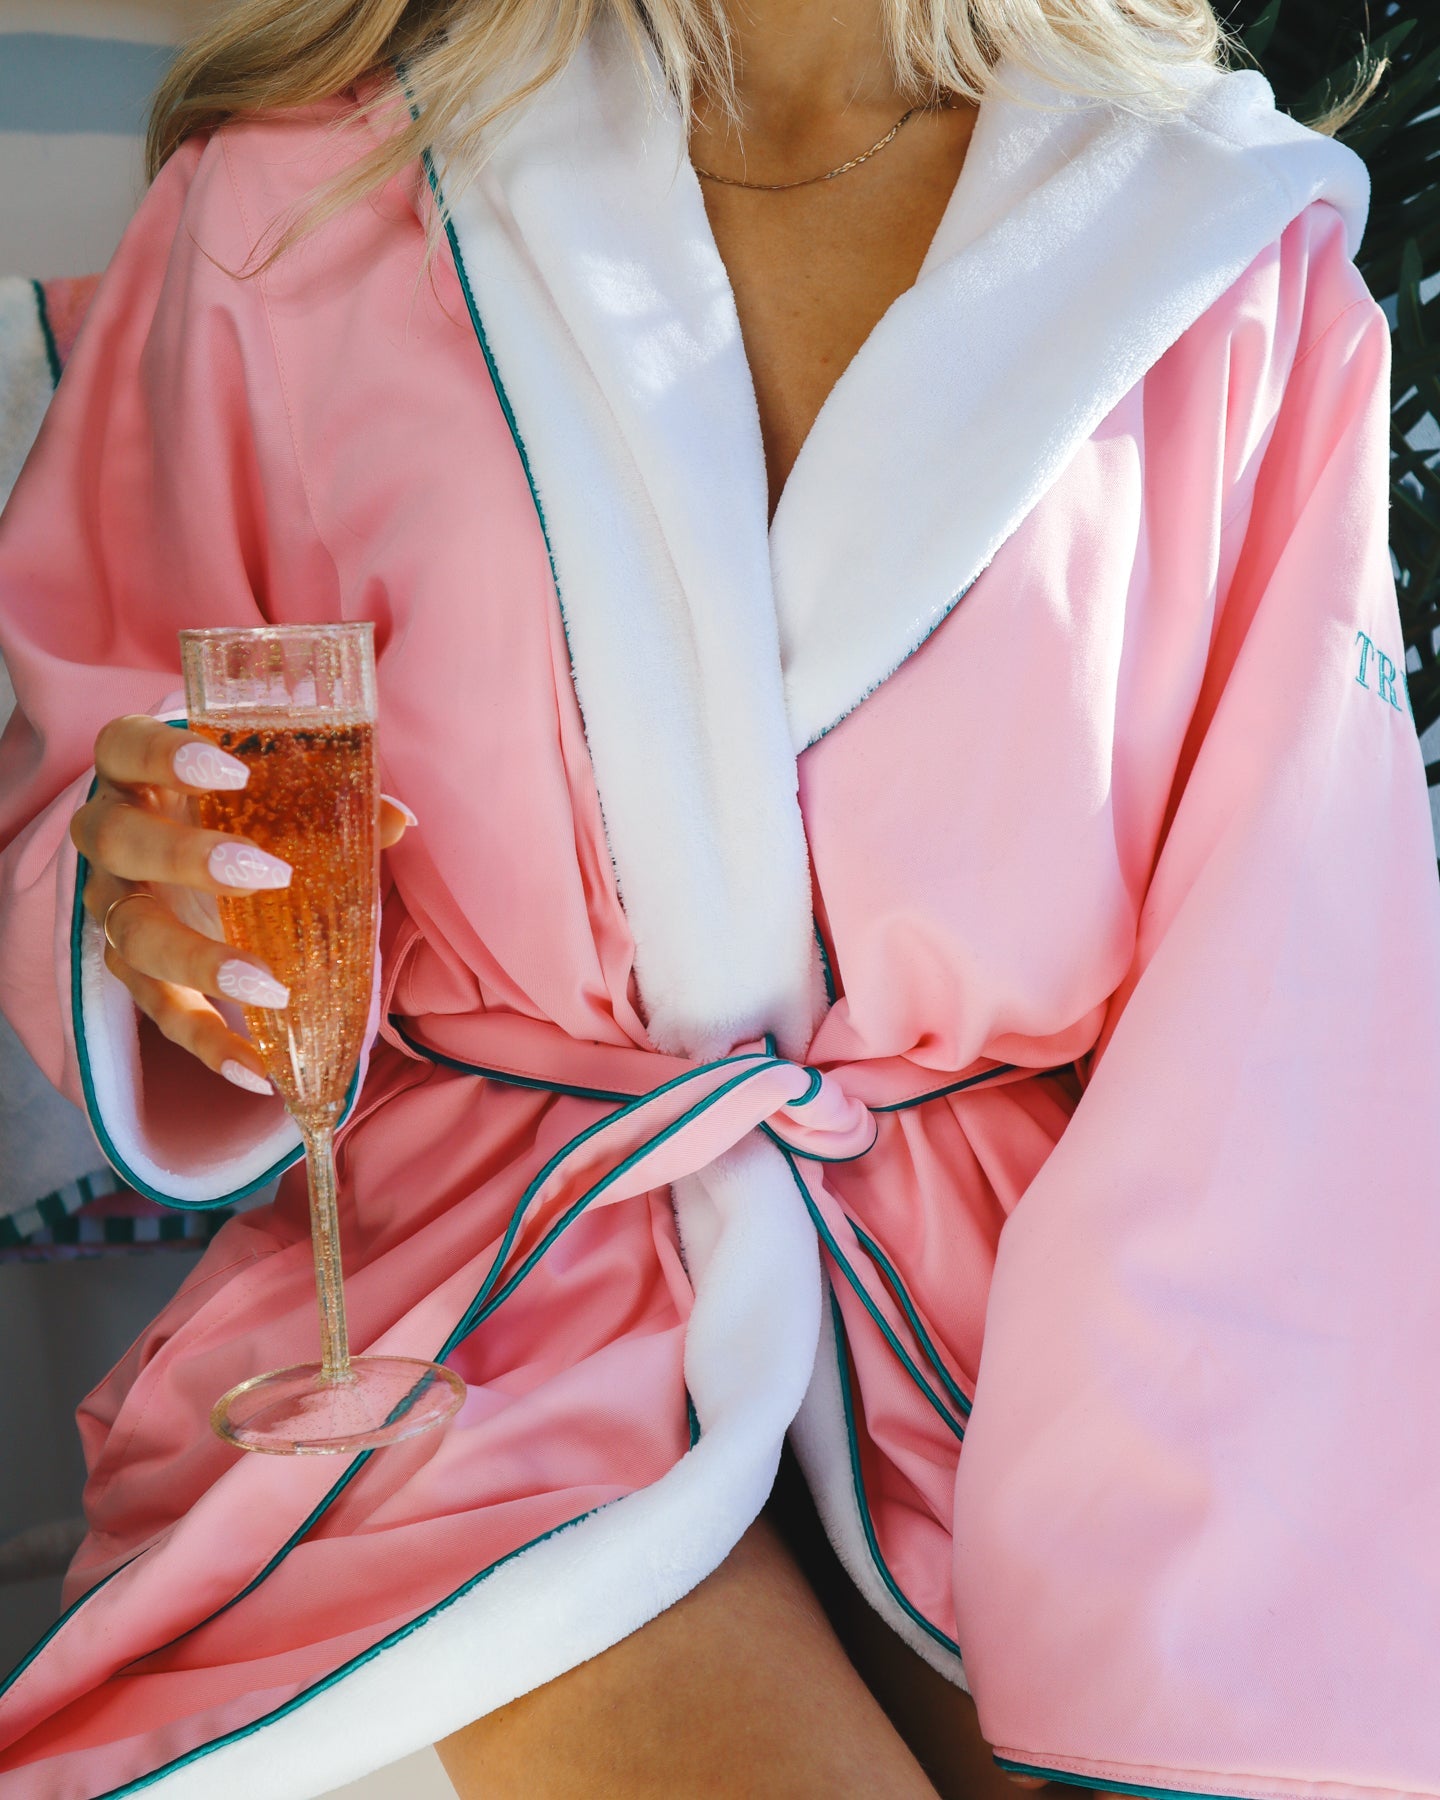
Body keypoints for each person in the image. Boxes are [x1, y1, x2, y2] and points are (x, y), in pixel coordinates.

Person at [1, 0, 1437, 1791]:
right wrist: (153, 919)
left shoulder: (1223, 255)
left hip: (1036, 1353)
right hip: (482, 1325)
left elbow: (1283, 1005)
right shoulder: (302, 203)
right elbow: (111, 766)